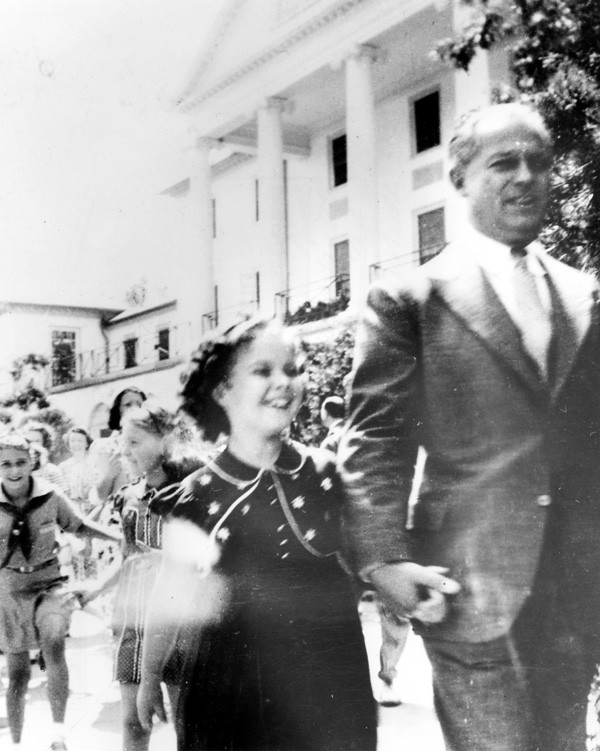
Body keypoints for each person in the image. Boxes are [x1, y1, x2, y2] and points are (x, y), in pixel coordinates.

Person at [339, 102, 600, 751]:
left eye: (538, 163)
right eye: (502, 162)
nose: (525, 177)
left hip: (574, 591)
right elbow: (375, 439)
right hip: (465, 589)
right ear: (459, 178)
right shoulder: (411, 300)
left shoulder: (585, 293)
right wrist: (383, 559)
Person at [137, 318, 376, 751]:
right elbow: (169, 594)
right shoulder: (196, 495)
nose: (284, 382)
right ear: (222, 391)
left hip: (330, 679)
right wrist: (149, 677)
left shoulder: (326, 474)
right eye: (263, 371)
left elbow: (368, 562)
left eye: (294, 369)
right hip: (230, 689)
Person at [78, 402, 201, 751]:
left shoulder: (192, 492)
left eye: (134, 442)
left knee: (186, 722)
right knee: (134, 722)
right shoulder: (129, 497)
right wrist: (94, 590)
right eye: (123, 441)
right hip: (131, 618)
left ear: (165, 441)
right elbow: (130, 558)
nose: (124, 450)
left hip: (181, 619)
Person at [0, 431, 122, 750]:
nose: (14, 470)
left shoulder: (51, 496)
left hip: (48, 582)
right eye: (6, 464)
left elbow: (79, 525)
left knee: (53, 642)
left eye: (21, 463)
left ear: (32, 462)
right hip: (9, 588)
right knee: (17, 674)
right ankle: (15, 739)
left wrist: (117, 538)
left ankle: (58, 732)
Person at [93, 387, 146, 503]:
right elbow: (101, 495)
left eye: (139, 404)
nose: (134, 408)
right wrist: (110, 475)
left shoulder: (150, 442)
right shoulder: (107, 446)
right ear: (118, 410)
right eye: (128, 404)